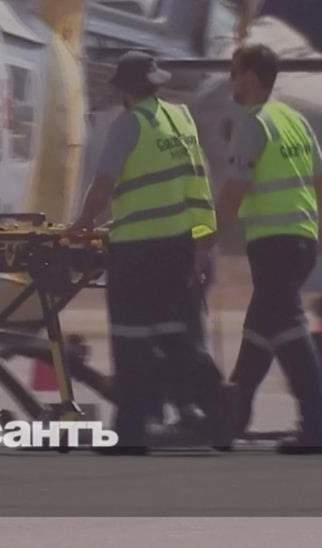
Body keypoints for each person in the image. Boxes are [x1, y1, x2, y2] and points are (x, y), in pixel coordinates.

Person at [70, 50, 233, 454]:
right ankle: (221, 412)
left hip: (137, 253)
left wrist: (82, 224)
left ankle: (130, 434)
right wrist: (202, 242)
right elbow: (197, 184)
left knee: (132, 343)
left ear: (124, 89)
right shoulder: (180, 119)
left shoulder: (129, 125)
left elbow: (104, 184)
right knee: (179, 340)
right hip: (178, 248)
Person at [209, 44, 322, 455]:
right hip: (301, 242)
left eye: (234, 72)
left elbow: (233, 192)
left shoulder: (253, 123)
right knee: (260, 329)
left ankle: (317, 426)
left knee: (290, 331)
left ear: (250, 76)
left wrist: (203, 241)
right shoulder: (295, 122)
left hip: (273, 243)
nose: (230, 81)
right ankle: (233, 417)